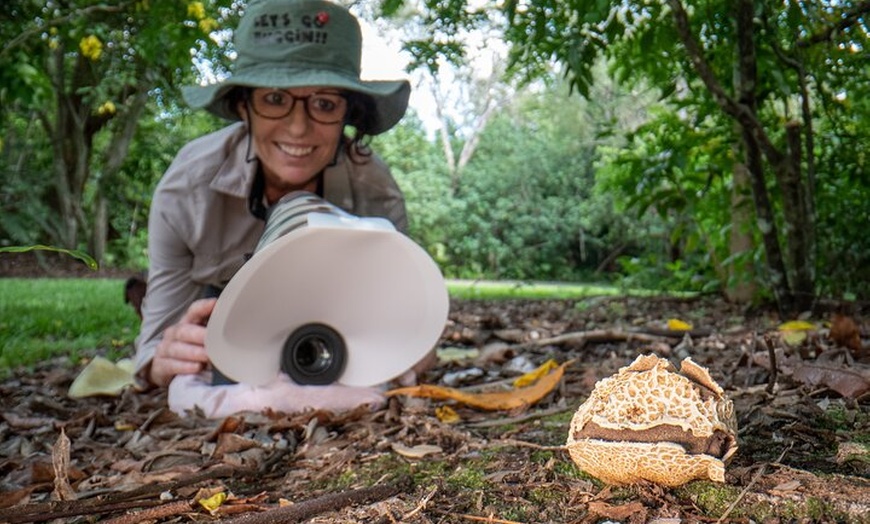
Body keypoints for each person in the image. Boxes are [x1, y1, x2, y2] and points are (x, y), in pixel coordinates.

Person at [134, 0, 421, 417]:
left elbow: (407, 321)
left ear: (349, 114)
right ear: (242, 106)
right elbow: (154, 347)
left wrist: (412, 347)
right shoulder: (187, 191)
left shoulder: (375, 194)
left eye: (324, 104)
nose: (298, 127)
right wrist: (166, 357)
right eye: (274, 98)